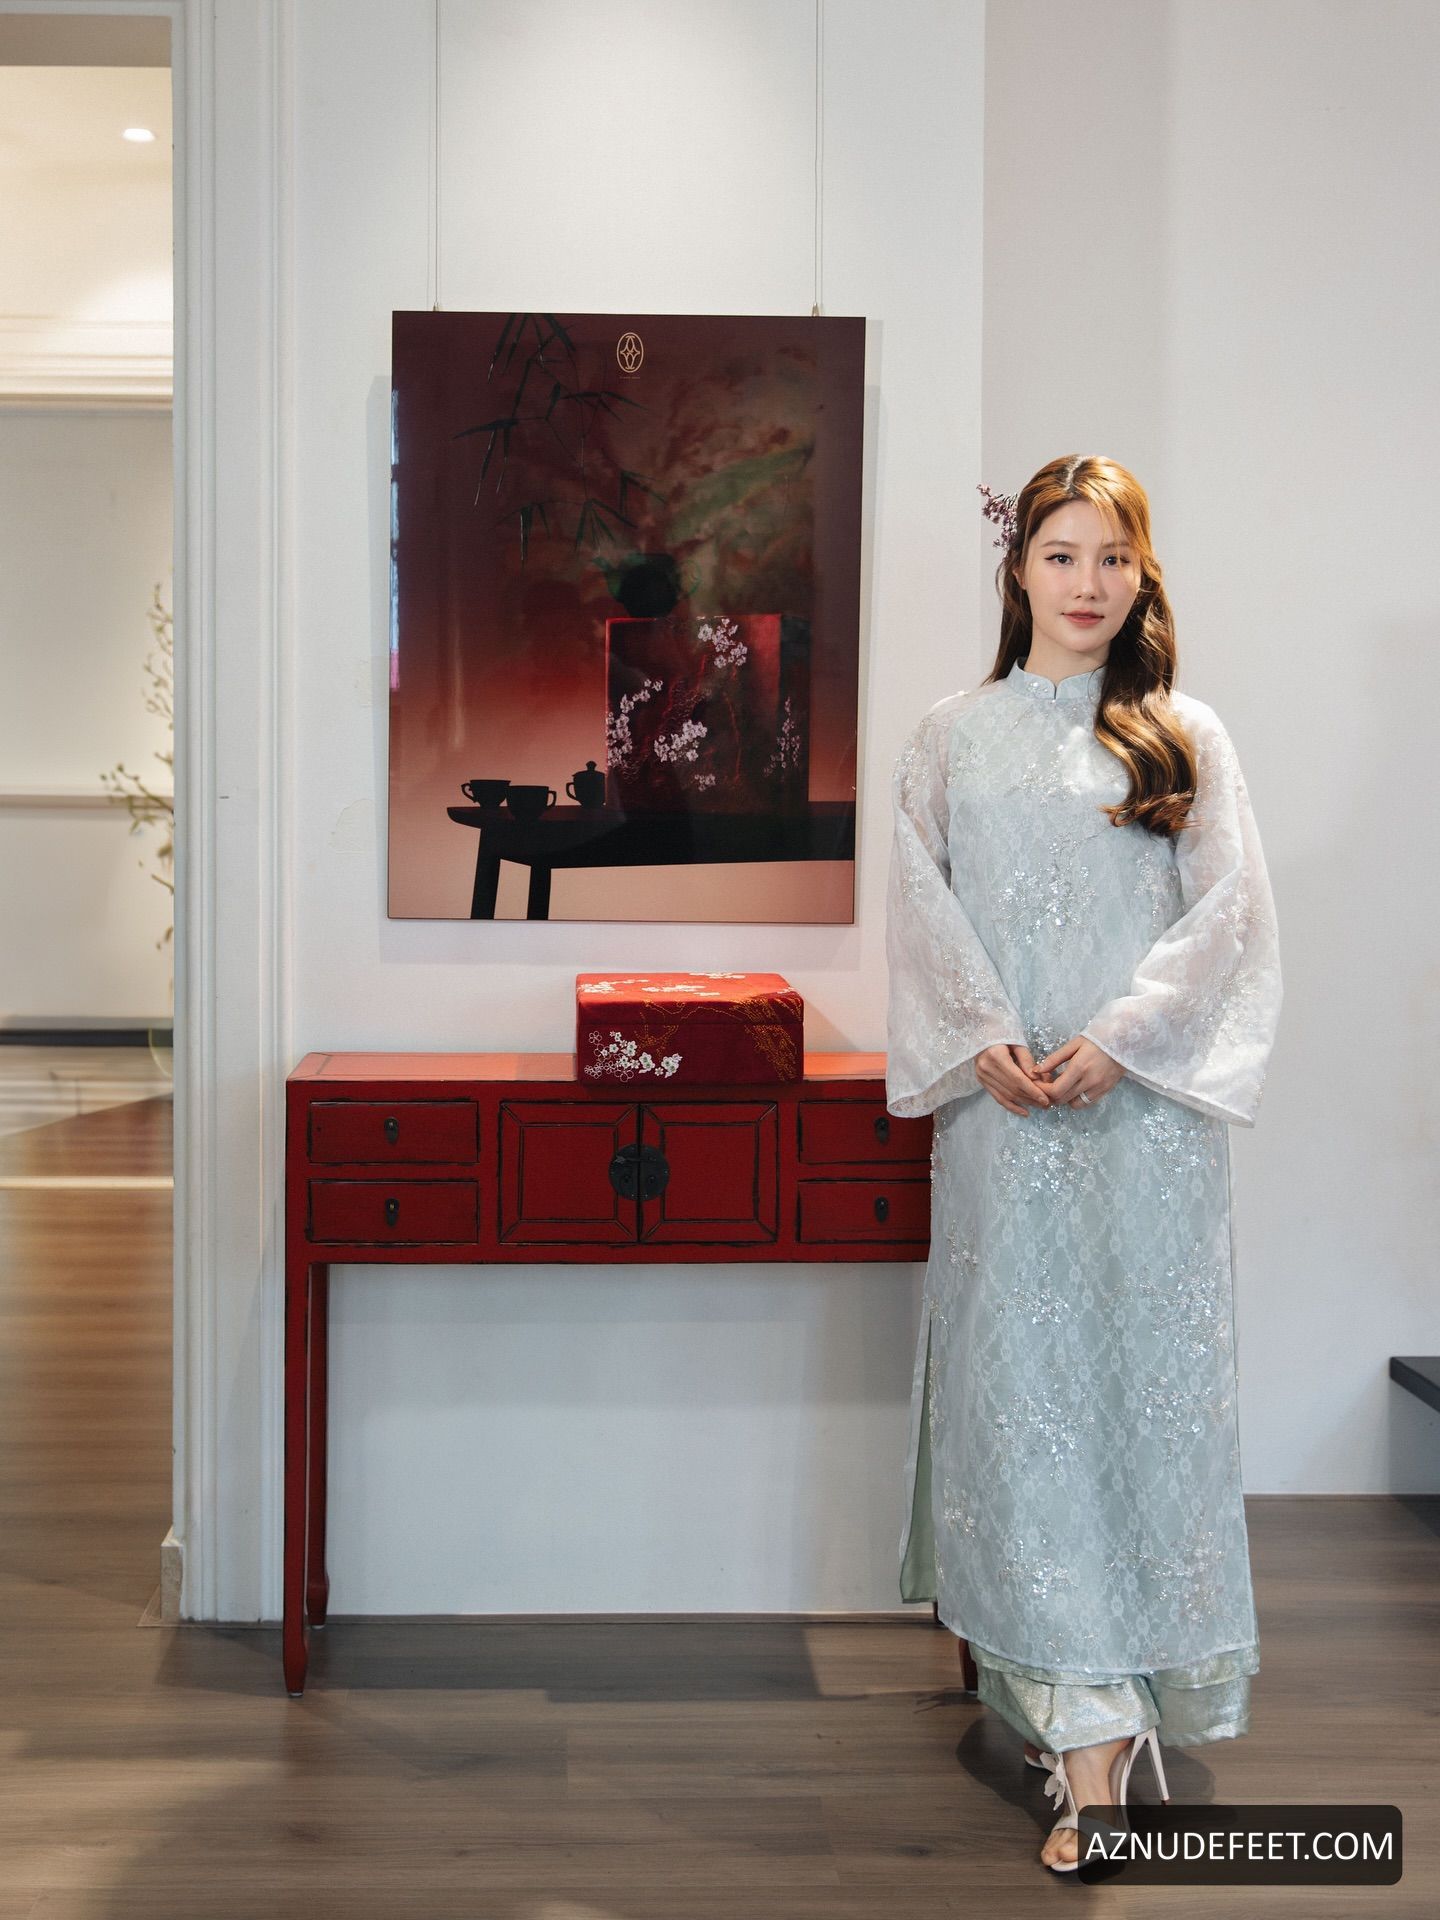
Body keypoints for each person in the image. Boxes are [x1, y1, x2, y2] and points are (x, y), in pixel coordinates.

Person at [884, 454, 1282, 1873]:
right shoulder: (953, 737)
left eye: (1114, 558)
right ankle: (1084, 1740)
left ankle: (1124, 1709)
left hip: (1146, 1128)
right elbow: (921, 906)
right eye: (1062, 554)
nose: (1089, 583)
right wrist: (981, 1035)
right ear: (1019, 570)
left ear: (1141, 575)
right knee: (1025, 1406)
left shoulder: (1182, 737)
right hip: (1005, 1125)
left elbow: (1230, 917)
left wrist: (1120, 1038)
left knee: (1146, 1404)